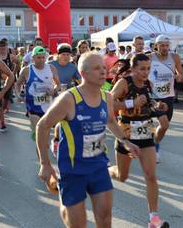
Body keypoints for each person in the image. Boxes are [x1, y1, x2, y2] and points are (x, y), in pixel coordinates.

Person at [36, 52, 140, 228]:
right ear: (83, 74)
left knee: (105, 219)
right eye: (97, 68)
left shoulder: (106, 97)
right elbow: (42, 126)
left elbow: (110, 121)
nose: (102, 71)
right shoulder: (69, 99)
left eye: (104, 68)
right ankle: (62, 198)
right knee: (78, 224)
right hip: (73, 170)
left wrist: (125, 141)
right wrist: (44, 163)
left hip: (98, 166)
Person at [108, 53, 169, 228]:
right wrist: (130, 103)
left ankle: (154, 218)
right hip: (126, 133)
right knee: (122, 176)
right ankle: (109, 170)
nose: (145, 72)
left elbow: (147, 102)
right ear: (133, 68)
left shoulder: (147, 84)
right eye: (142, 69)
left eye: (148, 69)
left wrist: (157, 106)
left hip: (144, 133)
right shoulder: (124, 83)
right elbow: (109, 104)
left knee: (150, 175)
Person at [148, 35, 183, 162]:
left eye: (166, 45)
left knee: (164, 126)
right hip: (152, 96)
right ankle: (152, 149)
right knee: (159, 122)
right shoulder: (150, 58)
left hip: (168, 96)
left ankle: (154, 144)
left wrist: (180, 77)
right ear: (156, 46)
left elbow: (181, 74)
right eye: (162, 45)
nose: (164, 48)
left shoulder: (174, 57)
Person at [16, 46, 60, 149]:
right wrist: (18, 95)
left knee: (45, 134)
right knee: (40, 131)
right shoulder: (27, 70)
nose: (41, 60)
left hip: (48, 106)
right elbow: (17, 84)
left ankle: (43, 146)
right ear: (33, 58)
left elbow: (58, 85)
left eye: (43, 57)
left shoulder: (51, 68)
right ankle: (42, 155)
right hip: (32, 106)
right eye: (38, 57)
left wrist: (53, 90)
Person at [49, 43, 82, 157]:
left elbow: (80, 81)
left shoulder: (73, 67)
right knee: (59, 121)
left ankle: (58, 141)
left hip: (67, 97)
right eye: (63, 54)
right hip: (52, 96)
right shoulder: (50, 65)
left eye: (68, 54)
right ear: (58, 55)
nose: (66, 57)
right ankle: (56, 141)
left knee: (63, 120)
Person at [0, 39, 19, 131]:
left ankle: (2, 110)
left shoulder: (11, 56)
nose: (2, 48)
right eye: (0, 46)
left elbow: (18, 63)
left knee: (6, 102)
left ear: (6, 47)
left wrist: (13, 73)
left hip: (8, 82)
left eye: (4, 46)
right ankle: (2, 123)